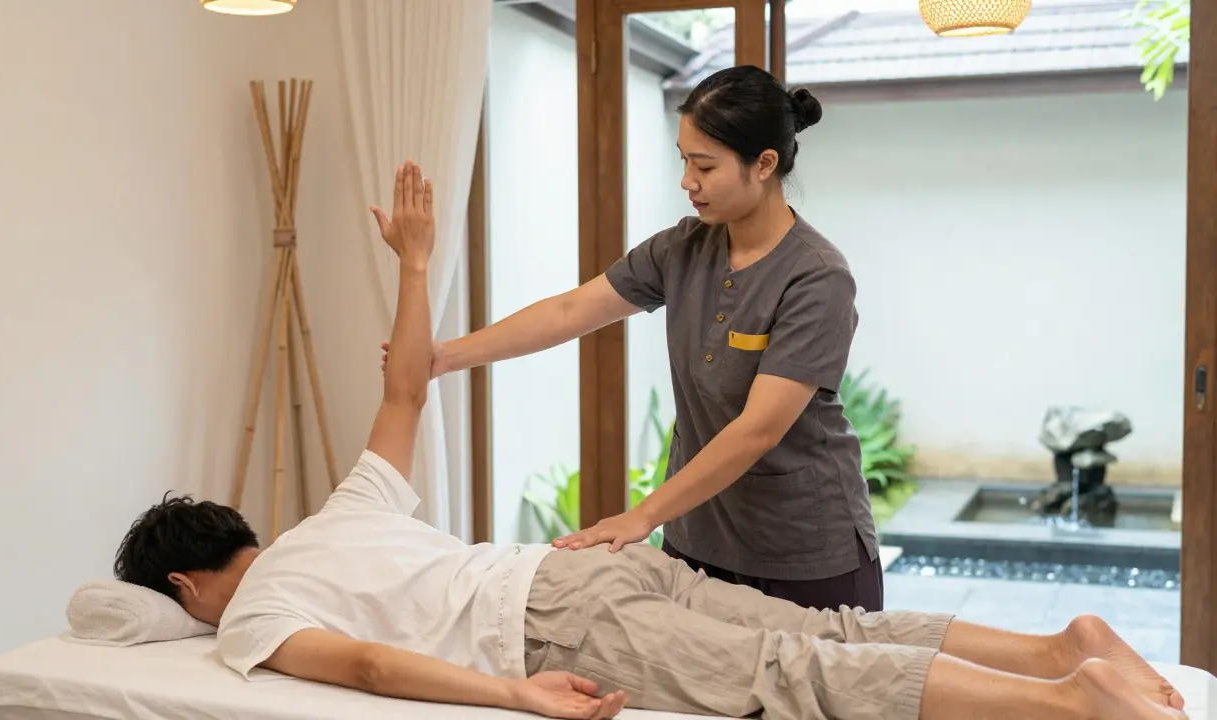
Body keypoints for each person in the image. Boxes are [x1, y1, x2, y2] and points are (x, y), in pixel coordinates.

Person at [113, 161, 1187, 720]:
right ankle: (1057, 647)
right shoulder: (344, 508)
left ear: (189, 588)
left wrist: (513, 695)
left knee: (789, 674)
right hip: (581, 567)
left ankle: (1059, 700)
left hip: (551, 615)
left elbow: (364, 668)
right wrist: (411, 261)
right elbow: (405, 385)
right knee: (826, 639)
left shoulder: (247, 613)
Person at [382, 65, 881, 613]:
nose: (686, 181)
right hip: (699, 544)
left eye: (705, 165)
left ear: (764, 165)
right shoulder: (682, 247)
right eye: (683, 159)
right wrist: (445, 356)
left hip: (804, 551)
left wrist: (642, 515)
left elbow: (757, 429)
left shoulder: (816, 276)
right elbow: (571, 310)